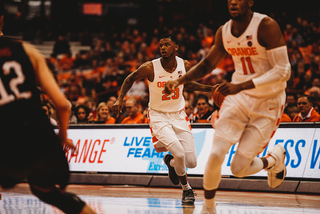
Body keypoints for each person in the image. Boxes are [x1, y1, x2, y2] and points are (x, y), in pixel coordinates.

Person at [165, 1, 291, 213]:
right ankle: (209, 208)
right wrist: (179, 81)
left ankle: (274, 159)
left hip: (268, 101)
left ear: (249, 2)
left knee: (239, 169)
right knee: (216, 153)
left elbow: (283, 71)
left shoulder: (266, 26)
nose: (233, 1)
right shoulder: (224, 31)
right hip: (238, 97)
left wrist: (239, 85)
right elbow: (207, 65)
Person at [0, 4, 96, 214]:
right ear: (2, 20)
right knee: (49, 192)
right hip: (42, 139)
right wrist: (62, 136)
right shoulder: (26, 50)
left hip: (7, 142)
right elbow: (63, 105)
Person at [112, 34, 217, 205]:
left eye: (167, 45)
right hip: (158, 115)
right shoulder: (150, 67)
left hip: (179, 115)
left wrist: (211, 88)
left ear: (175, 47)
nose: (162, 48)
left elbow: (188, 84)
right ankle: (187, 189)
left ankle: (171, 162)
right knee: (180, 153)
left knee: (192, 161)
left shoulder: (185, 65)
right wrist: (120, 99)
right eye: (161, 45)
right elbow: (130, 78)